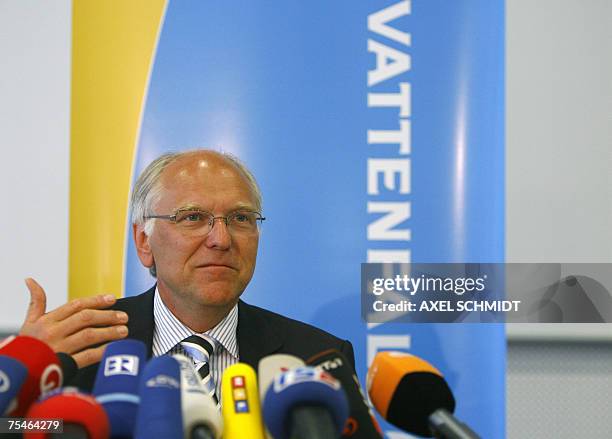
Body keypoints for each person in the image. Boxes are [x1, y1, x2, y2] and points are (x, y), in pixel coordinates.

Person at [19, 149, 354, 393]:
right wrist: (19, 377)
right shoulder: (79, 349)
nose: (221, 240)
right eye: (192, 217)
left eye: (240, 219)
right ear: (143, 241)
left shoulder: (317, 358)